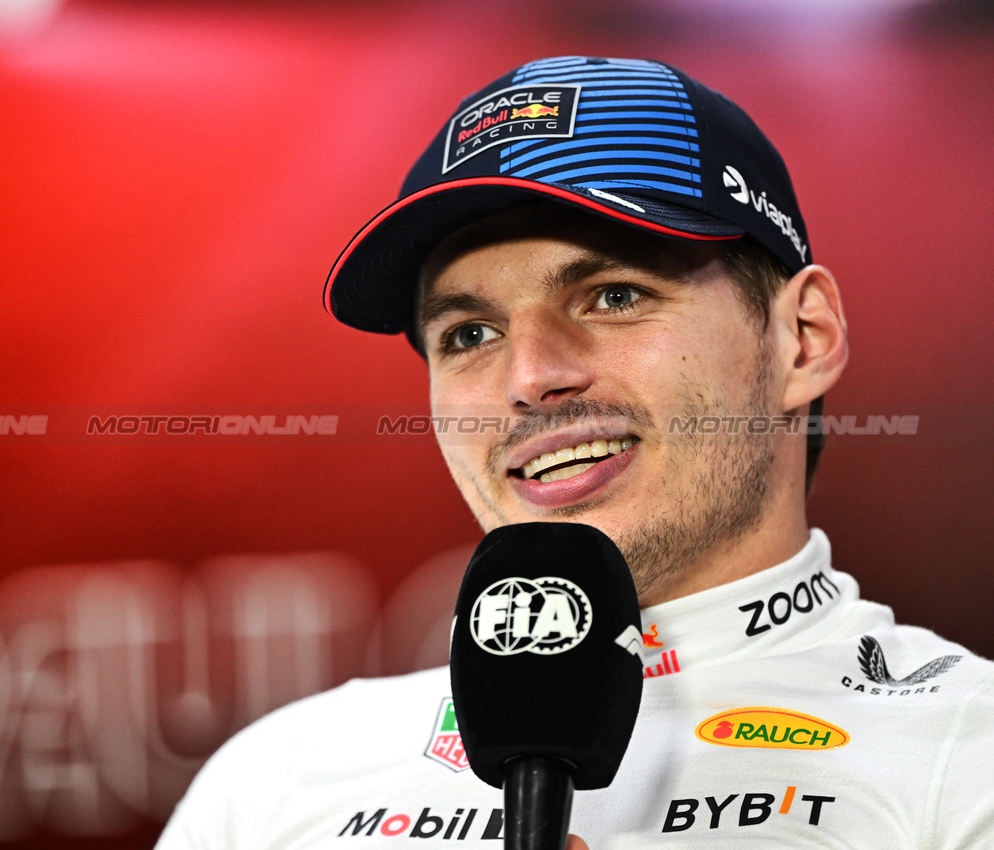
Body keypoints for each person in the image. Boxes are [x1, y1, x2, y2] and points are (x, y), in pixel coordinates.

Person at [156, 56, 994, 849]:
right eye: (470, 333)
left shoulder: (965, 754)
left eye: (613, 295)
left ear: (802, 340)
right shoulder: (276, 780)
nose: (529, 378)